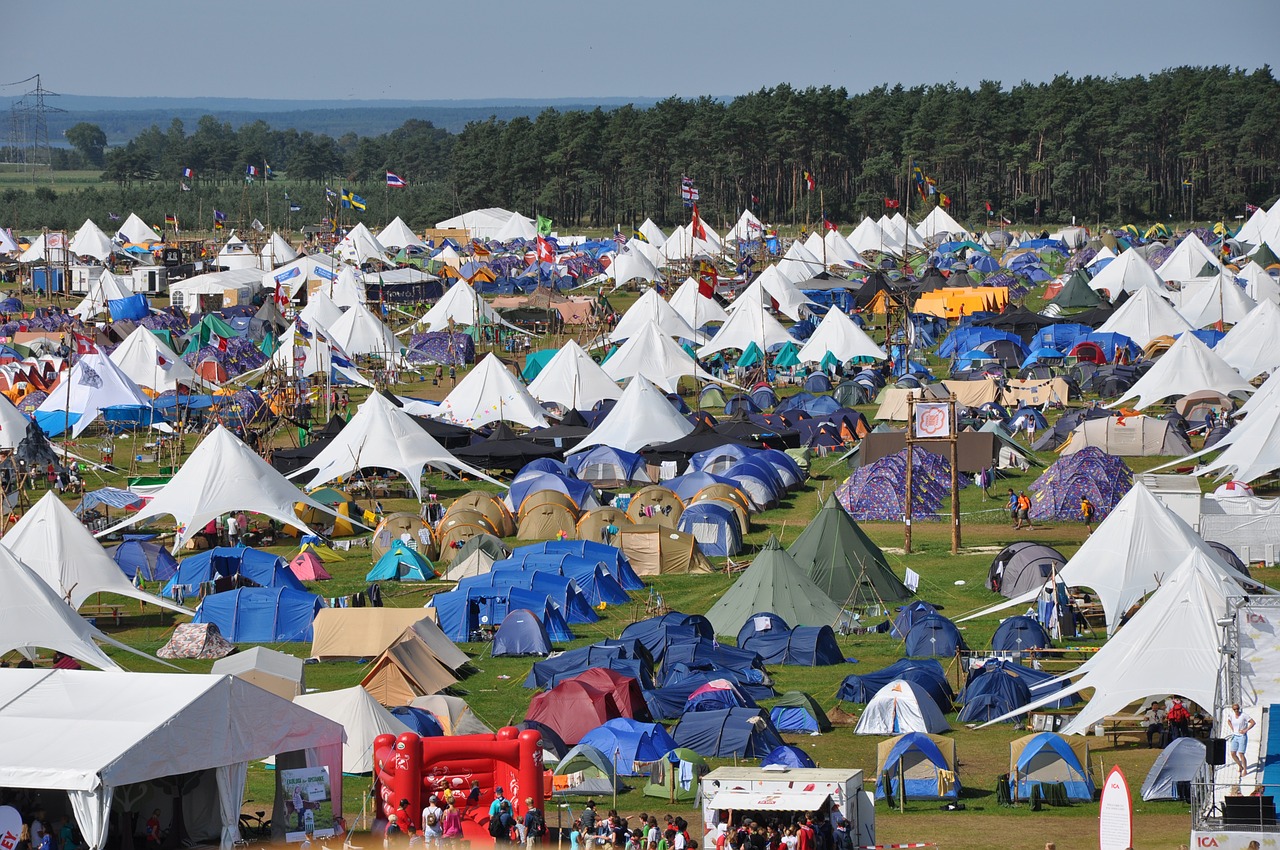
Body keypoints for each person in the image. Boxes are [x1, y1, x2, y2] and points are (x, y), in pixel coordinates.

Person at [1228, 703, 1257, 779]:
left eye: (1237, 709)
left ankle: (1245, 769)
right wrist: (1233, 729)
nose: (1236, 710)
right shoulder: (1231, 715)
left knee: (1241, 753)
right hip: (1235, 736)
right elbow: (1229, 721)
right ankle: (1240, 765)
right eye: (1235, 709)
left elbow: (1253, 722)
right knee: (1233, 753)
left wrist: (1245, 730)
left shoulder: (1244, 715)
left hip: (1242, 736)